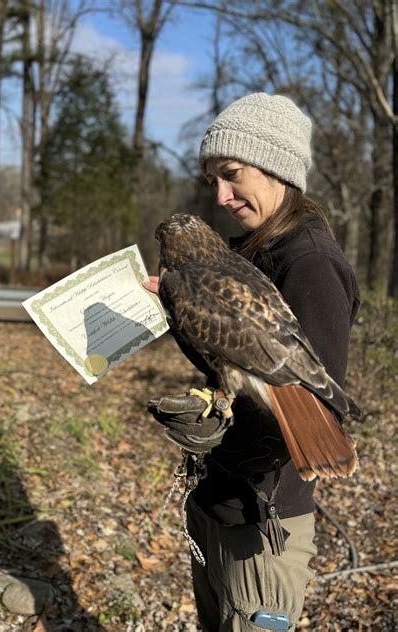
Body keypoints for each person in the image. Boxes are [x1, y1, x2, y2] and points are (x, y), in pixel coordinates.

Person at [144, 92, 360, 631]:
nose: (221, 195)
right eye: (213, 179)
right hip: (220, 502)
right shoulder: (246, 250)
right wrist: (176, 308)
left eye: (232, 174)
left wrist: (218, 429)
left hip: (263, 525)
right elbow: (227, 355)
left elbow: (306, 399)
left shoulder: (309, 263)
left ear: (276, 167)